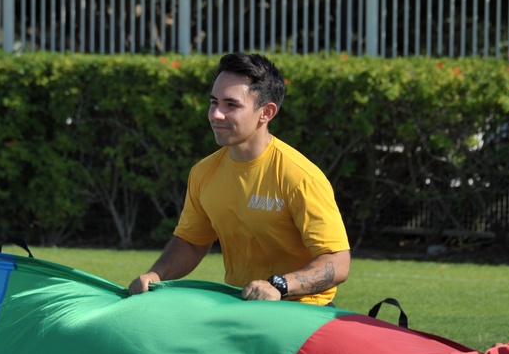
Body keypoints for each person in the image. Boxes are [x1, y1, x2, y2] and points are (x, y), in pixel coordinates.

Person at [128, 53, 350, 305]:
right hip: (240, 308)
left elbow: (337, 262)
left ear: (266, 112)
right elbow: (191, 243)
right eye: (214, 102)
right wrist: (156, 275)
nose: (216, 114)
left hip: (302, 316)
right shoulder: (203, 172)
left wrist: (280, 286)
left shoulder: (300, 177)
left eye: (231, 105)